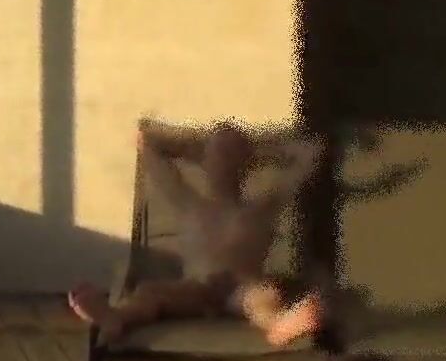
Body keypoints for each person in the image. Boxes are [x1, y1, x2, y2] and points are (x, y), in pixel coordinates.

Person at [68, 119, 326, 347]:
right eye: (218, 154)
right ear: (204, 162)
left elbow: (311, 156)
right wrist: (191, 147)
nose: (225, 162)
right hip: (196, 289)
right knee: (150, 292)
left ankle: (280, 326)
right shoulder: (189, 203)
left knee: (265, 296)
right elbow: (147, 144)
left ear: (247, 163)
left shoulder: (263, 207)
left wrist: (263, 148)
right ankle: (115, 317)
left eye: (233, 154)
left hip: (242, 290)